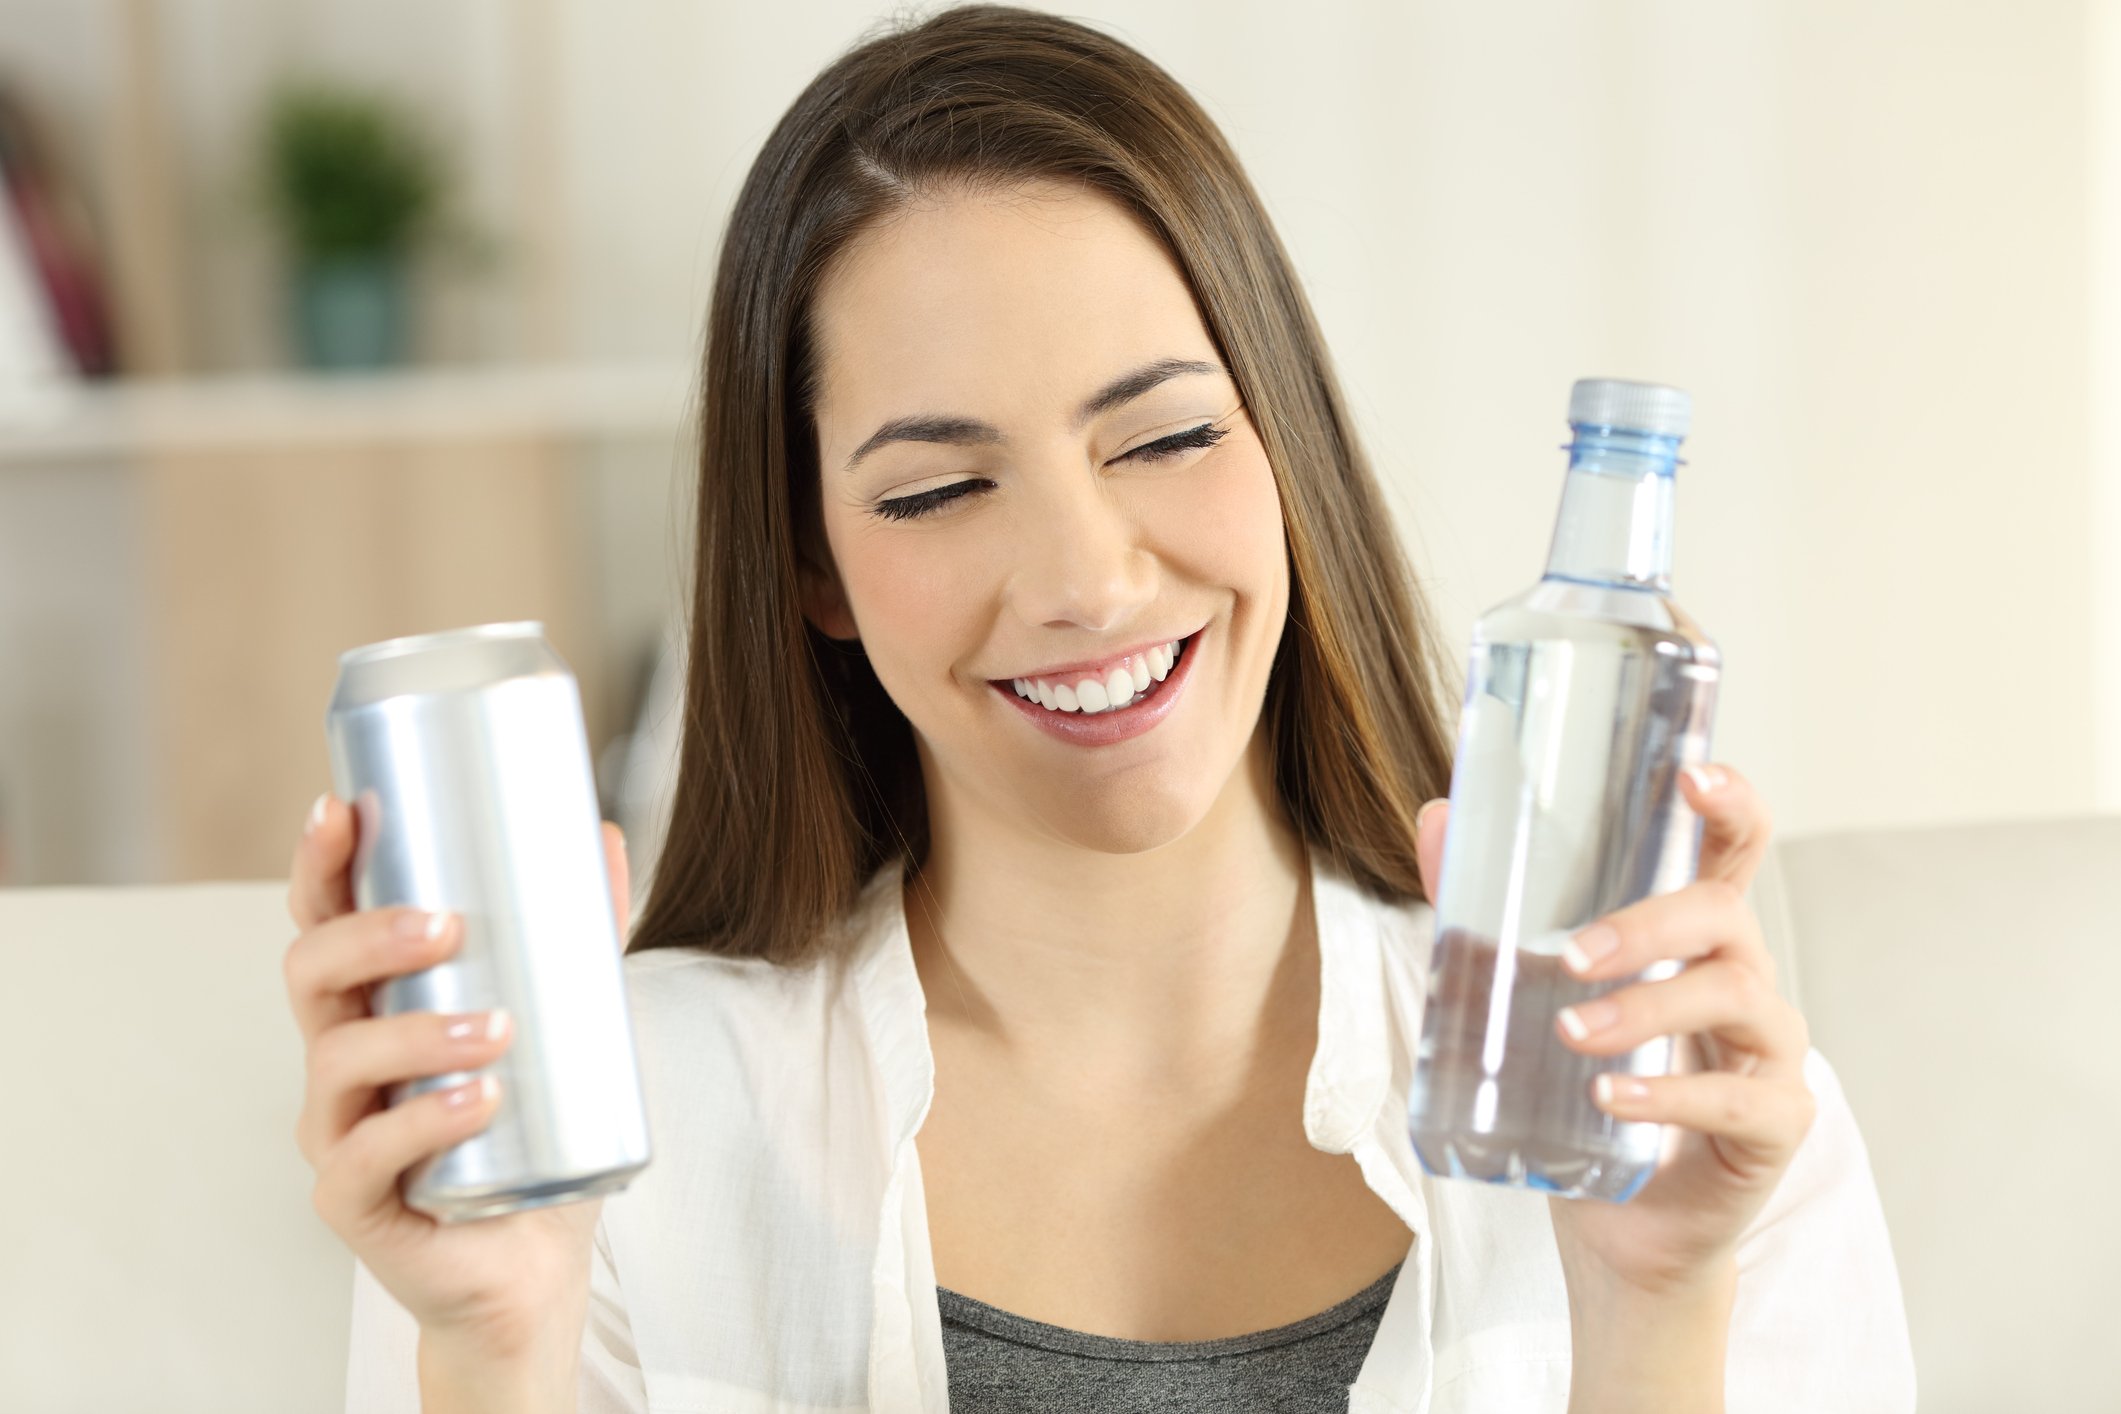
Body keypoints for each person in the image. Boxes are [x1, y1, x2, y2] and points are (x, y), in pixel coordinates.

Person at [282, 6, 1916, 1410]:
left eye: (1161, 438)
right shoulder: (599, 1137)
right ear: (812, 567)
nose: (1085, 578)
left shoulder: (1665, 1105)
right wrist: (493, 1351)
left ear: (1284, 447)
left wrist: (1650, 1305)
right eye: (934, 489)